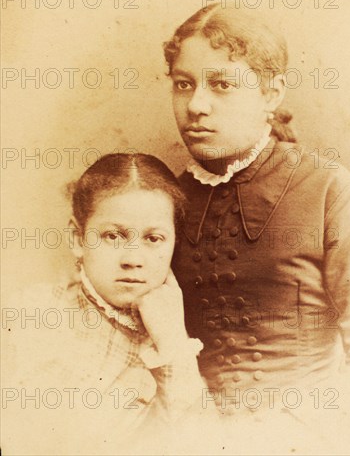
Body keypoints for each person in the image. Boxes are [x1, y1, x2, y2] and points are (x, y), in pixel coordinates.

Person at [164, 4, 350, 454]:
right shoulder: (167, 200)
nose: (196, 105)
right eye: (183, 84)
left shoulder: (328, 189)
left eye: (222, 85)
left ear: (271, 93)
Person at [2, 153, 208, 456]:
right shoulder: (34, 313)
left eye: (154, 239)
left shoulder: (171, 334)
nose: (133, 260)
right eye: (113, 236)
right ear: (77, 238)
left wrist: (173, 344)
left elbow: (207, 445)